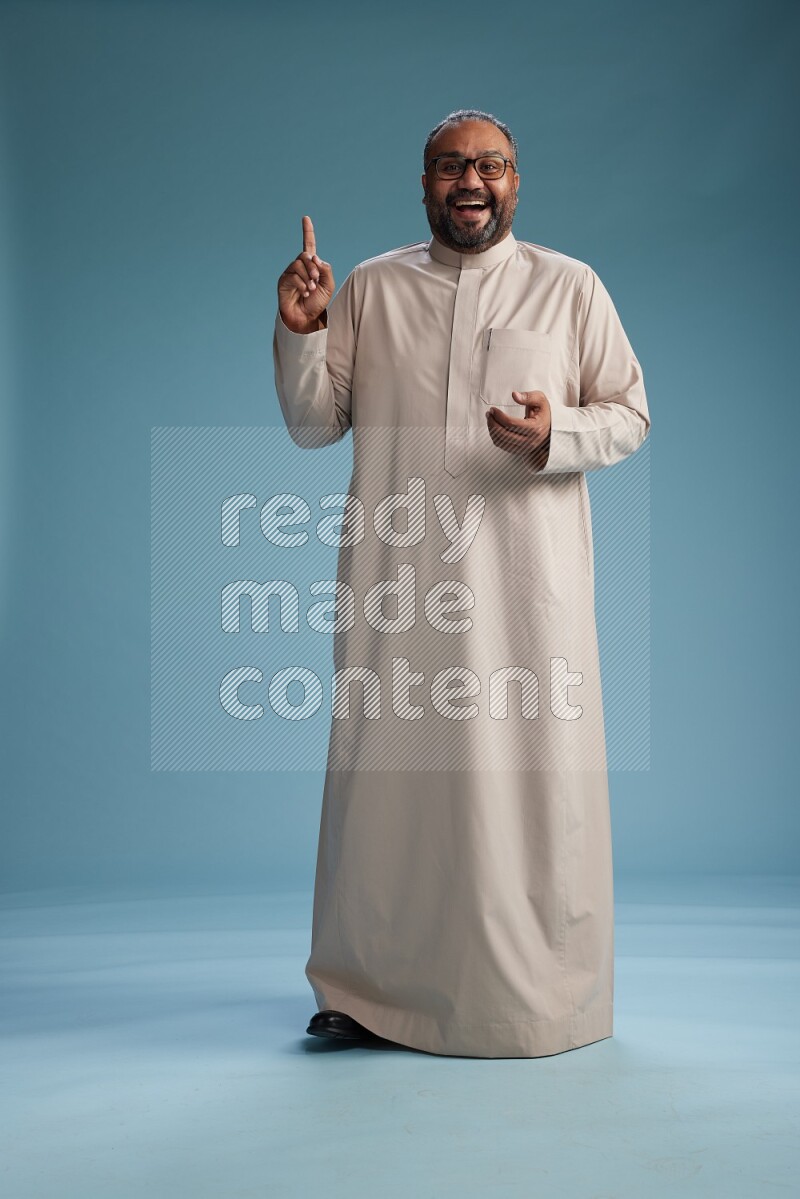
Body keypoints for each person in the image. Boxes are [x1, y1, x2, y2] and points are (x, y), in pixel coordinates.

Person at [273, 108, 651, 1058]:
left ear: (518, 182)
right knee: (386, 786)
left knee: (528, 787)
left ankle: (542, 996)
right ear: (425, 184)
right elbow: (317, 425)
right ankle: (363, 990)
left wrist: (556, 433)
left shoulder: (570, 287)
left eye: (490, 165)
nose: (470, 181)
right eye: (450, 166)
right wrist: (303, 331)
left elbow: (631, 413)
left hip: (527, 595)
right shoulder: (372, 286)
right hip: (400, 585)